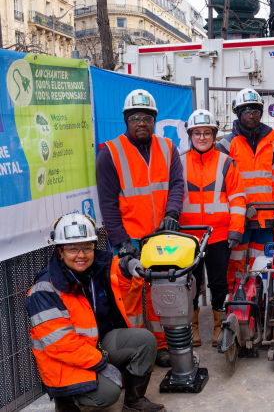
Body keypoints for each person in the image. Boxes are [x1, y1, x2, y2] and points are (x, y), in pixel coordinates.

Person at [26, 214, 165, 412]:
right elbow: (61, 345)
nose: (81, 255)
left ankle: (134, 403)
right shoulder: (45, 290)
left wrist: (126, 268)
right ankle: (65, 401)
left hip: (96, 345)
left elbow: (117, 279)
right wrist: (101, 362)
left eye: (87, 247)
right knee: (108, 394)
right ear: (60, 252)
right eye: (72, 248)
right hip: (64, 361)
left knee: (144, 340)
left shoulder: (96, 271)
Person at [96, 89, 184, 367]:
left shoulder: (168, 147)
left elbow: (177, 185)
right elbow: (108, 203)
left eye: (147, 117)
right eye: (135, 118)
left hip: (161, 239)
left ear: (154, 120)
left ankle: (161, 346)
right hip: (130, 240)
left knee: (161, 294)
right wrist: (121, 242)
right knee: (130, 299)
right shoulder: (109, 153)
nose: (142, 123)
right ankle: (135, 349)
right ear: (126, 120)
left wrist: (172, 213)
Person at [217, 88, 274, 318]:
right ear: (238, 113)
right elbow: (220, 187)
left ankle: (260, 306)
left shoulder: (270, 144)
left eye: (255, 111)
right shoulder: (226, 145)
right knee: (235, 266)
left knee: (263, 265)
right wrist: (239, 210)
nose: (251, 115)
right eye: (246, 111)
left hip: (266, 219)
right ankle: (233, 308)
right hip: (239, 221)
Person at [179, 109, 246, 346]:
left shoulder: (226, 163)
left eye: (207, 133)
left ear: (214, 135)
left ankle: (219, 327)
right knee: (190, 284)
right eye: (197, 133)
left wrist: (236, 229)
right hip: (188, 237)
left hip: (218, 235)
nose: (202, 137)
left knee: (218, 282)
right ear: (190, 135)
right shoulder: (179, 163)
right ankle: (193, 328)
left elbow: (237, 198)